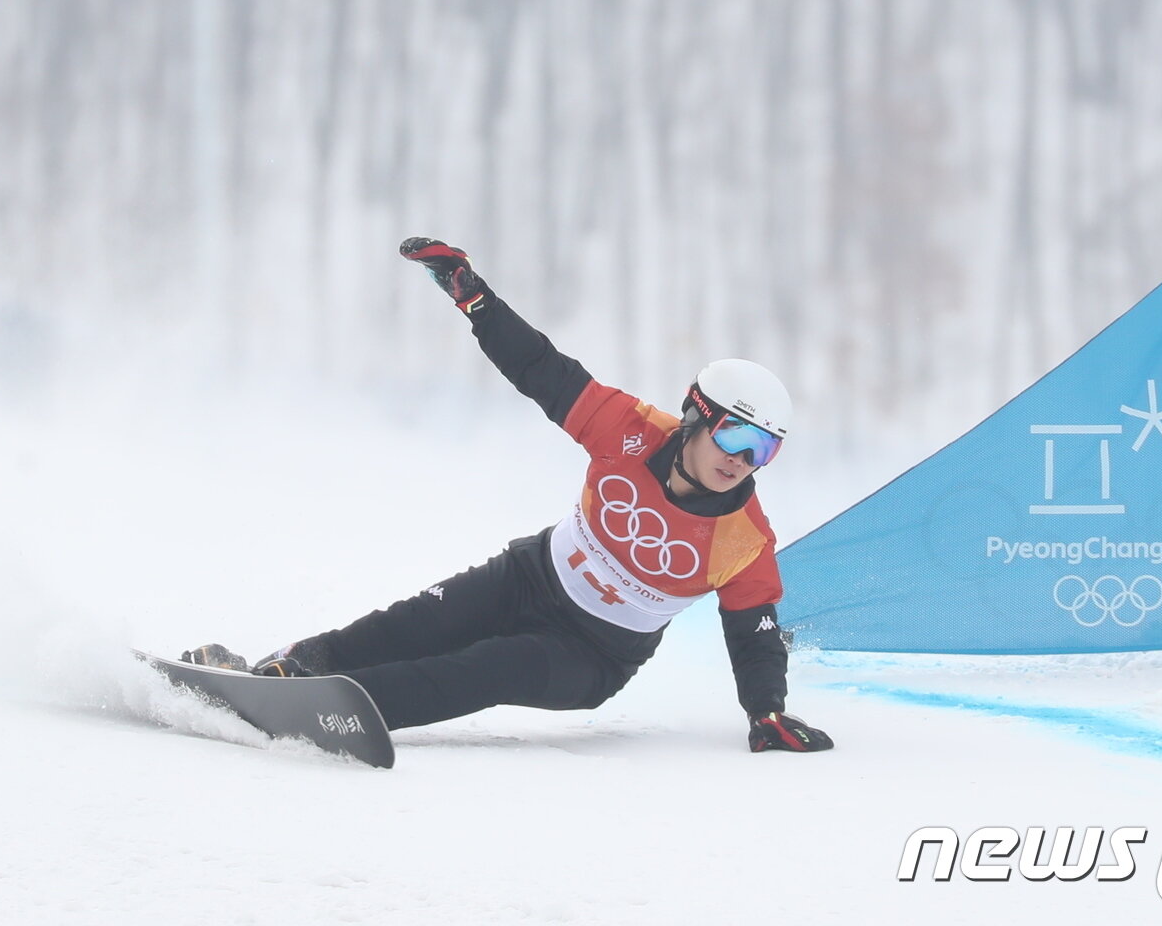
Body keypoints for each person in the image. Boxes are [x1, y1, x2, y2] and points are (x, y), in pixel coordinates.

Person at [184, 237, 832, 754]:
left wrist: (767, 713)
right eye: (737, 436)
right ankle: (277, 673)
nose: (744, 462)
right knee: (409, 626)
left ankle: (330, 705)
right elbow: (541, 369)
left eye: (766, 450)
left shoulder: (746, 541)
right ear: (696, 415)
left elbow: (757, 636)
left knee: (484, 668)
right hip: (529, 576)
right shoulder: (628, 430)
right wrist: (473, 296)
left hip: (592, 656)